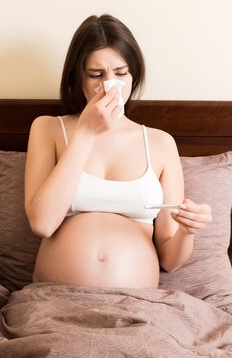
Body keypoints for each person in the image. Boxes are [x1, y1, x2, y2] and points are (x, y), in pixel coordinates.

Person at [24, 14, 212, 289]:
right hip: (57, 300)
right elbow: (42, 223)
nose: (110, 84)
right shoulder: (48, 129)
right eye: (96, 75)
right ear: (78, 78)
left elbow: (170, 261)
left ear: (133, 76)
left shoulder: (160, 144)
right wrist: (87, 132)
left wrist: (187, 230)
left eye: (121, 73)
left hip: (136, 306)